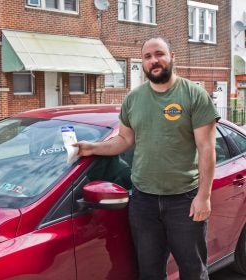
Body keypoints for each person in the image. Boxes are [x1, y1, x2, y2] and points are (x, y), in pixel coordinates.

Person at [74, 37, 220, 280]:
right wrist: (91, 147)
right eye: (147, 57)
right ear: (142, 63)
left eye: (159, 54)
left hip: (184, 201)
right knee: (149, 272)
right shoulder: (133, 99)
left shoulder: (194, 95)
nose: (154, 60)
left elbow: (206, 148)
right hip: (143, 202)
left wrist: (203, 197)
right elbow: (124, 141)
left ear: (173, 57)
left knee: (193, 271)